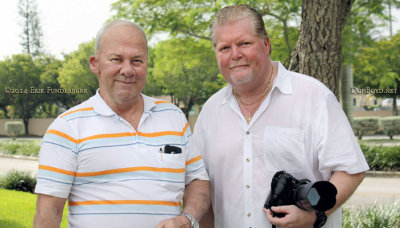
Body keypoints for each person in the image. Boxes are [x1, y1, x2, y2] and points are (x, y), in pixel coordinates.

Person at [192, 5, 369, 228]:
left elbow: (350, 170)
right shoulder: (210, 111)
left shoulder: (313, 96)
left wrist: (315, 216)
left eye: (244, 43)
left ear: (266, 44)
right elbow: (201, 184)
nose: (235, 55)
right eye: (224, 47)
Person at [33, 20, 210, 228]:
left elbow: (198, 180)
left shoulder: (173, 117)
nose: (127, 70)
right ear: (95, 63)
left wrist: (187, 218)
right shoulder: (67, 128)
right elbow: (48, 214)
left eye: (137, 60)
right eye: (116, 59)